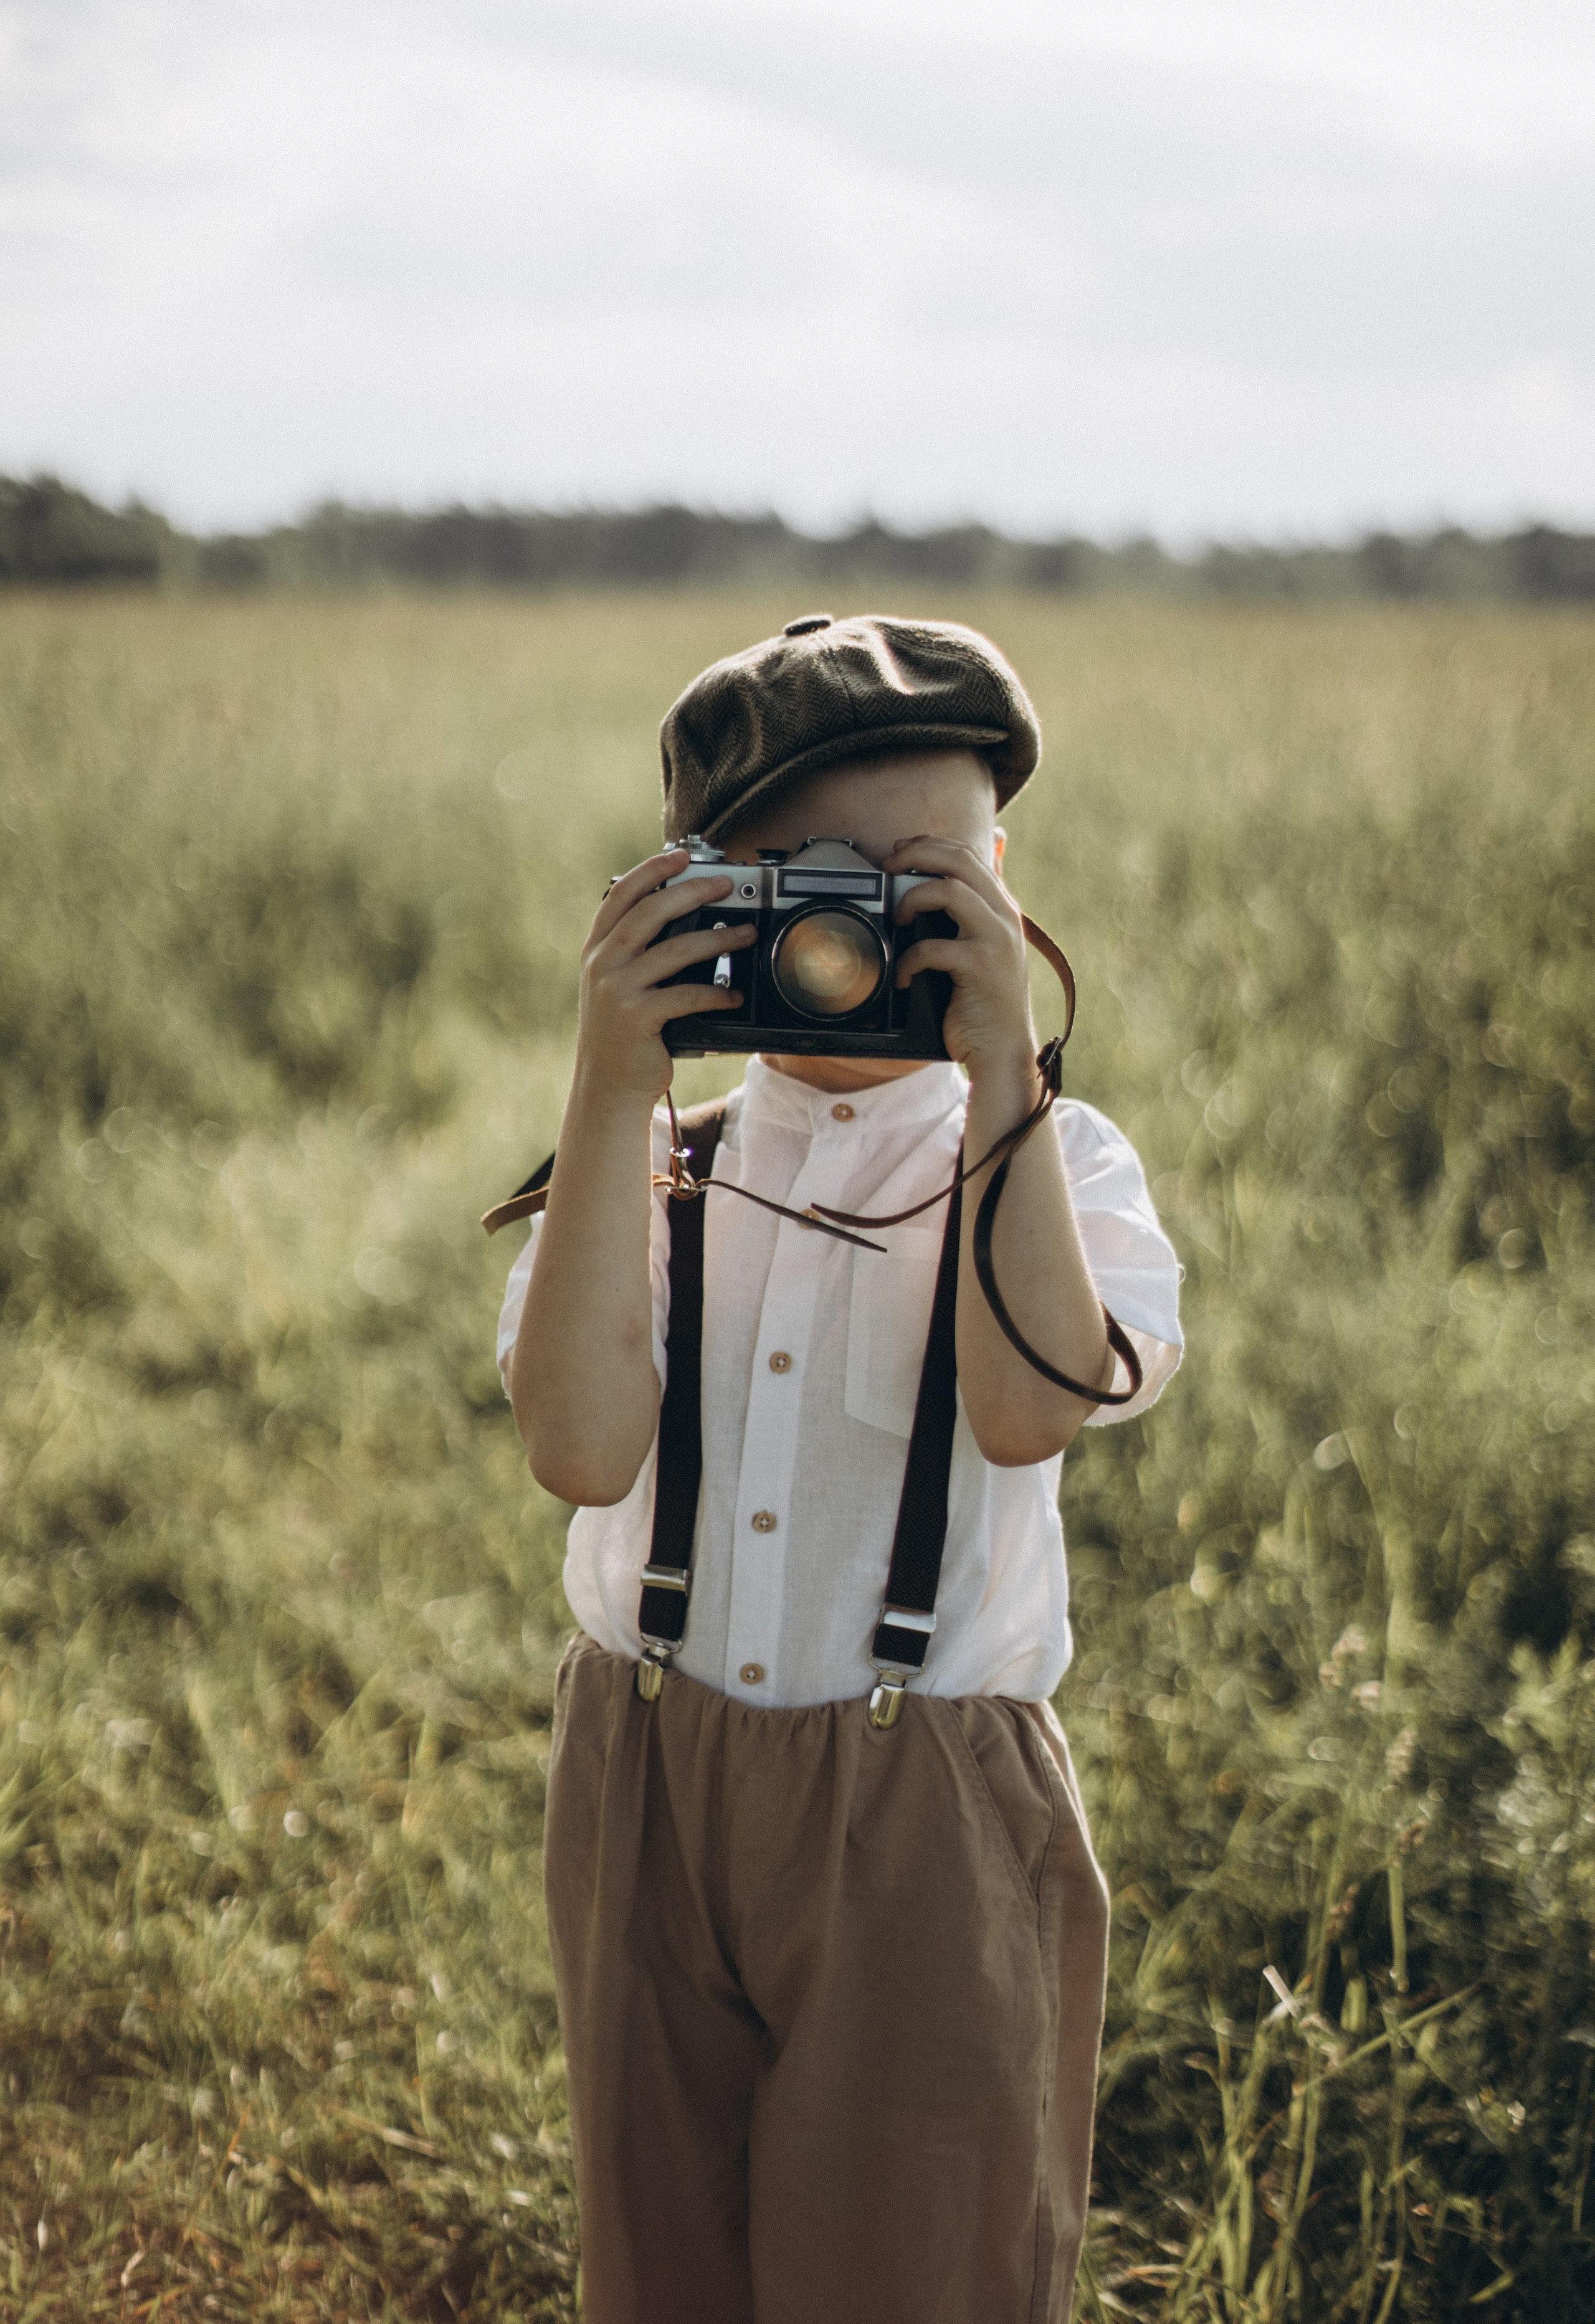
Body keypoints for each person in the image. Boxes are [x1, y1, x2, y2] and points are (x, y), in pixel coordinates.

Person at [494, 613, 1183, 2323]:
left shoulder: (1061, 1158)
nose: (854, 934)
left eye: (923, 884)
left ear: (1007, 894)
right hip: (643, 1774)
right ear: (699, 900)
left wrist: (999, 1061)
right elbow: (577, 1447)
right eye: (805, 886)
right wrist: (609, 1083)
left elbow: (1027, 1410)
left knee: (918, 2264)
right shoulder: (657, 1160)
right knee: (663, 2261)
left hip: (929, 1800)